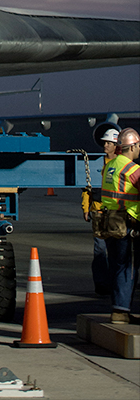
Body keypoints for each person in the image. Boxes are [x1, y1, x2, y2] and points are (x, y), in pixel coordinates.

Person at [101, 126, 140, 323]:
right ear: (132, 147)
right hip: (127, 225)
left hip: (109, 222)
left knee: (116, 266)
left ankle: (118, 309)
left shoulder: (110, 165)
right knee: (128, 268)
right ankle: (122, 310)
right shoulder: (133, 170)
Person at [91, 125, 121, 296]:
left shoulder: (121, 164)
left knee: (116, 251)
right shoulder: (97, 163)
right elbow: (88, 188)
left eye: (109, 143)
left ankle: (115, 282)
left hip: (116, 214)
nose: (105, 146)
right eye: (104, 143)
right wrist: (86, 207)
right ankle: (102, 284)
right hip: (99, 212)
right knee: (100, 250)